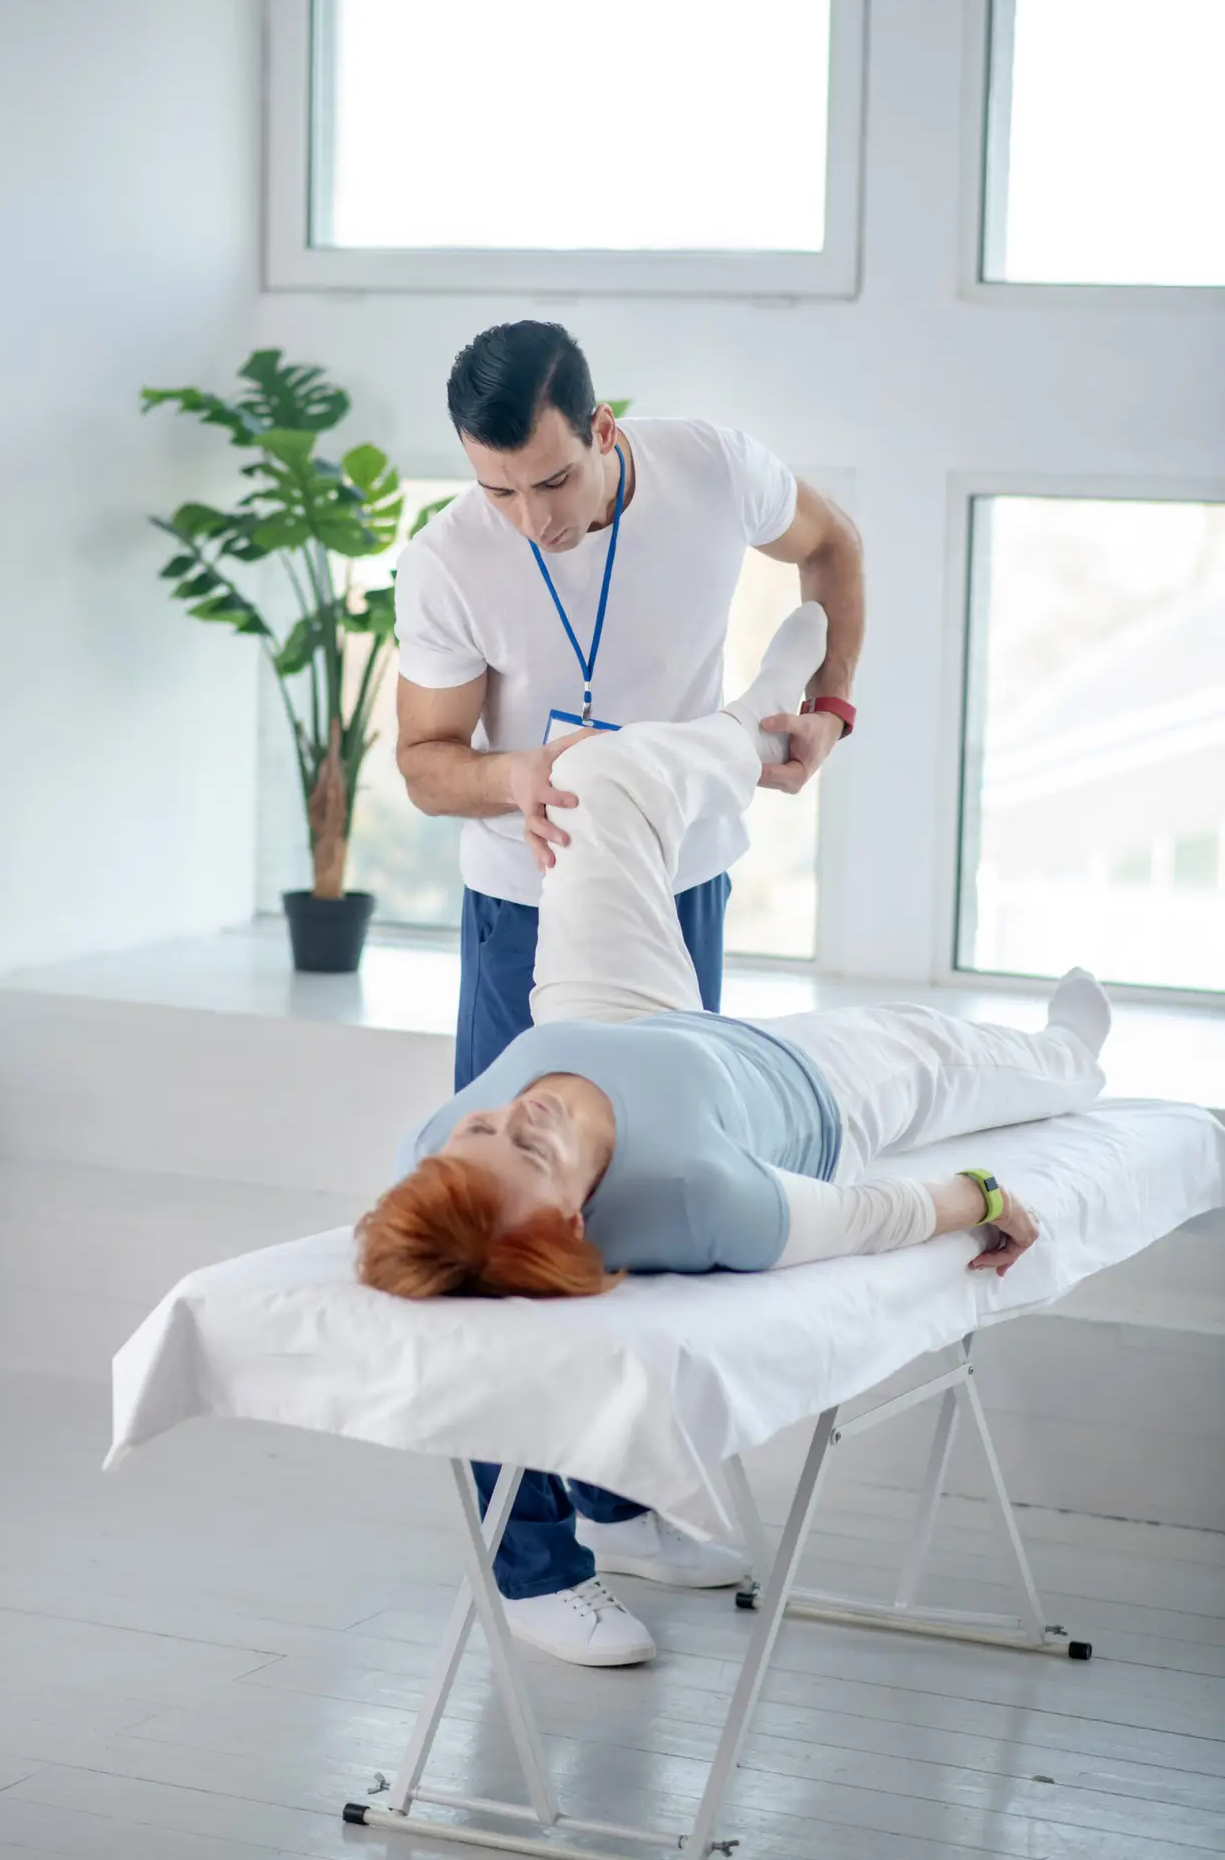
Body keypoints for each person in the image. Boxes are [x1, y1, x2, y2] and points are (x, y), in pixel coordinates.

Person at [362, 600, 1112, 1668]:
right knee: (956, 1054)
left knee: (596, 782)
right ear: (575, 1216)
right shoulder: (709, 1196)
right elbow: (866, 1216)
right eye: (527, 1146)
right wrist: (981, 1199)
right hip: (807, 1090)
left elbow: (447, 1189)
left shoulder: (437, 1161)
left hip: (605, 1012)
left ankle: (754, 719)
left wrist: (483, 1152)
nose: (515, 1111)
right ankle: (1072, 1057)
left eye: (483, 1124)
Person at [390, 319, 866, 1663]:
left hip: (684, 881)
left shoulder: (714, 469)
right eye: (498, 490)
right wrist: (518, 774)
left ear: (604, 432)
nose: (529, 518)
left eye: (550, 482)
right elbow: (428, 761)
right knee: (509, 1221)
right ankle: (527, 1559)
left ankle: (613, 1496)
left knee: (649, 1189)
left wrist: (831, 705)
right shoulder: (450, 557)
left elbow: (834, 551)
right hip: (520, 911)